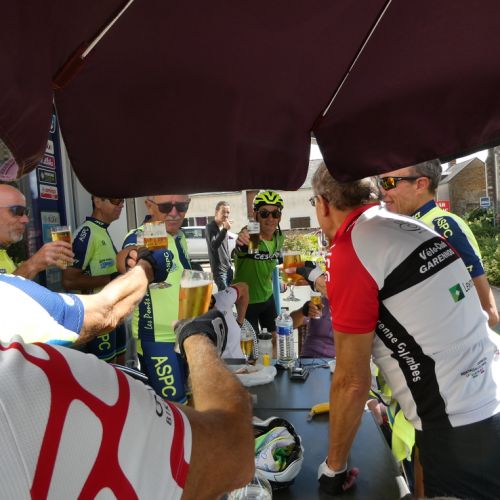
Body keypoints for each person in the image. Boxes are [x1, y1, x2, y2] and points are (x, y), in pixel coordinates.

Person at [301, 163, 500, 499]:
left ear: (322, 204)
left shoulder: (351, 248)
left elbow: (352, 381)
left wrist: (333, 468)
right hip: (485, 395)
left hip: (458, 426)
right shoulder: (409, 226)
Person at [0, 250, 254, 499]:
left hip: (40, 438)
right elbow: (232, 450)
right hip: (39, 411)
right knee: (216, 443)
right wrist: (196, 335)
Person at [378, 159, 499, 328]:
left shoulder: (443, 226)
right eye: (380, 183)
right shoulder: (403, 227)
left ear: (420, 184)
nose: (381, 191)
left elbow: (488, 312)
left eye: (388, 182)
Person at [116, 194, 192, 404]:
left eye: (181, 206)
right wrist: (132, 260)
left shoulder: (179, 237)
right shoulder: (140, 235)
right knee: (174, 407)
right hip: (157, 339)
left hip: (185, 334)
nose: (175, 213)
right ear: (149, 206)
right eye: (166, 206)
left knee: (191, 401)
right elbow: (126, 257)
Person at [62, 195, 126, 364]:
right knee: (107, 370)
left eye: (122, 201)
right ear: (97, 202)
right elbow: (69, 280)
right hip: (98, 314)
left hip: (114, 312)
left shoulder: (101, 230)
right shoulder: (87, 232)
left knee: (121, 364)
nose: (121, 205)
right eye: (116, 200)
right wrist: (113, 278)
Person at [233, 190, 285, 342]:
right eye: (264, 213)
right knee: (252, 348)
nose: (270, 218)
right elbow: (243, 244)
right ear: (256, 215)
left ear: (280, 216)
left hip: (268, 297)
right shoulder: (252, 236)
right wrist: (242, 241)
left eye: (275, 213)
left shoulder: (279, 237)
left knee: (275, 340)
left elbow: (271, 262)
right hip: (247, 302)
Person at [0, 183, 73, 277]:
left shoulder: (3, 253)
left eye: (26, 212)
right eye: (17, 211)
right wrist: (33, 265)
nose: (26, 220)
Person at [210, 281, 251, 359]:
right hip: (217, 365)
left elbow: (244, 288)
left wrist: (239, 322)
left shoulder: (221, 299)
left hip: (240, 362)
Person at [206, 200, 233, 290]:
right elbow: (214, 246)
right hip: (219, 271)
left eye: (228, 212)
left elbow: (225, 248)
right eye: (223, 212)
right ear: (216, 212)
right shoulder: (210, 227)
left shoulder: (223, 227)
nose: (226, 215)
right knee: (224, 296)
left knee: (230, 296)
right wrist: (225, 230)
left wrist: (230, 263)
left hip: (228, 268)